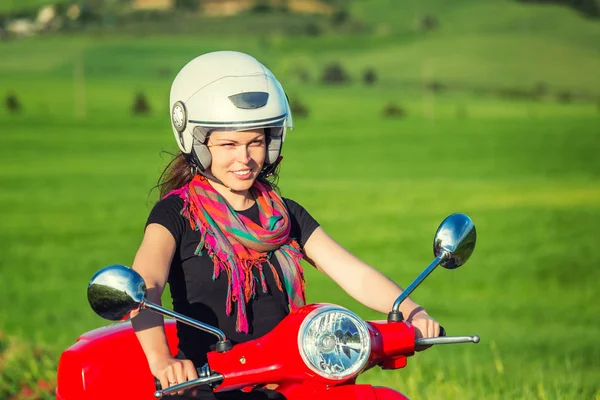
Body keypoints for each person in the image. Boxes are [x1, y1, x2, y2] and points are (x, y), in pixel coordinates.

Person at [130, 51, 441, 399]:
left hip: (290, 380)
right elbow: (144, 286)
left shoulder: (283, 214)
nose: (244, 158)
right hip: (208, 384)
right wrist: (162, 361)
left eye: (256, 142)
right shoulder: (176, 214)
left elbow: (353, 273)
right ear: (198, 143)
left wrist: (413, 311)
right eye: (229, 144)